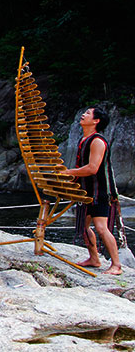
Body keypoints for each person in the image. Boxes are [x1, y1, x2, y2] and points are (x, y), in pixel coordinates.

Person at [61, 106, 121, 275]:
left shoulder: (97, 141)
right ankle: (94, 258)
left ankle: (116, 265)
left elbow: (92, 168)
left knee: (101, 227)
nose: (83, 114)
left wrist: (69, 172)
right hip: (86, 190)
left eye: (88, 113)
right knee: (84, 226)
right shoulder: (84, 139)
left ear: (96, 121)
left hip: (100, 191)